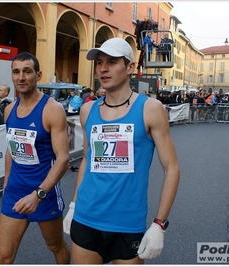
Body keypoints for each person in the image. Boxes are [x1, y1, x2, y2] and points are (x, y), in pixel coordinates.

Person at [62, 37, 180, 264]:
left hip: (127, 225)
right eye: (99, 62)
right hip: (86, 218)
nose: (103, 68)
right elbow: (87, 160)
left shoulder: (151, 109)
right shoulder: (87, 110)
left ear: (130, 67)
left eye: (112, 62)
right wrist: (74, 204)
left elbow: (172, 168)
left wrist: (159, 224)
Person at [0, 52, 71, 264]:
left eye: (27, 71)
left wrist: (38, 194)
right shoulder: (9, 110)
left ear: (38, 75)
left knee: (55, 246)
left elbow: (63, 159)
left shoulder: (52, 110)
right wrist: (6, 182)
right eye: (16, 72)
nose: (21, 77)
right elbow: (11, 149)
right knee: (2, 257)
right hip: (15, 191)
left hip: (43, 192)